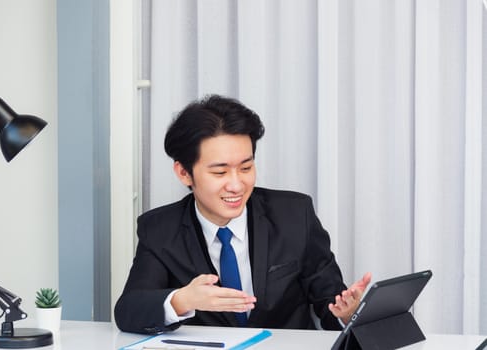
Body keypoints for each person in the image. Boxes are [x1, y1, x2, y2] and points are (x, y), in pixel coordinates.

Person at [114, 94, 371, 334]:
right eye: (220, 172)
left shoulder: (294, 214)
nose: (236, 185)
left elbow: (329, 301)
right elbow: (128, 310)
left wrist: (347, 315)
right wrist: (182, 300)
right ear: (183, 173)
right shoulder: (160, 228)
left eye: (246, 167)